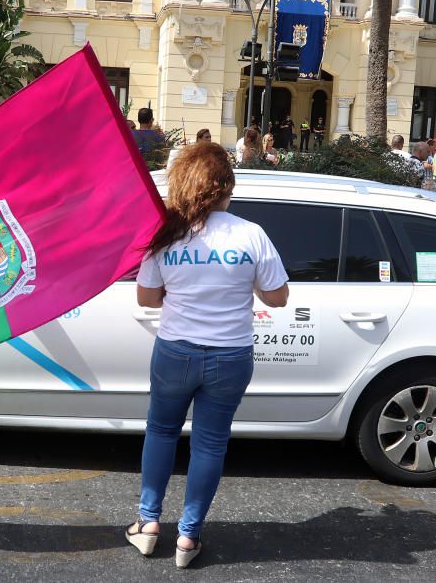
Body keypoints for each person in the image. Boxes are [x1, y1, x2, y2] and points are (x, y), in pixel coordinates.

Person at [127, 141, 289, 568]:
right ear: (227, 187)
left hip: (175, 350)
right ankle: (188, 537)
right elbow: (278, 297)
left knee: (161, 432)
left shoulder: (166, 234)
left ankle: (147, 525)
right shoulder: (250, 234)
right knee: (210, 444)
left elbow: (147, 297)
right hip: (230, 355)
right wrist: (243, 282)